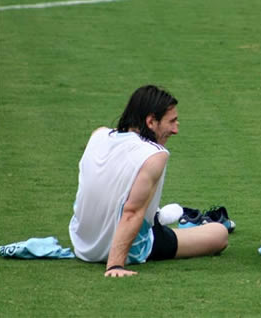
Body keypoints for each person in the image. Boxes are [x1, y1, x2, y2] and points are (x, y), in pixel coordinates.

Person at [69, 85, 228, 277]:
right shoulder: (155, 155)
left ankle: (162, 216)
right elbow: (132, 212)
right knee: (219, 234)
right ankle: (168, 219)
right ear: (151, 121)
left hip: (82, 245)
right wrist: (115, 265)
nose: (176, 130)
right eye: (172, 121)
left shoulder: (98, 135)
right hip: (124, 250)